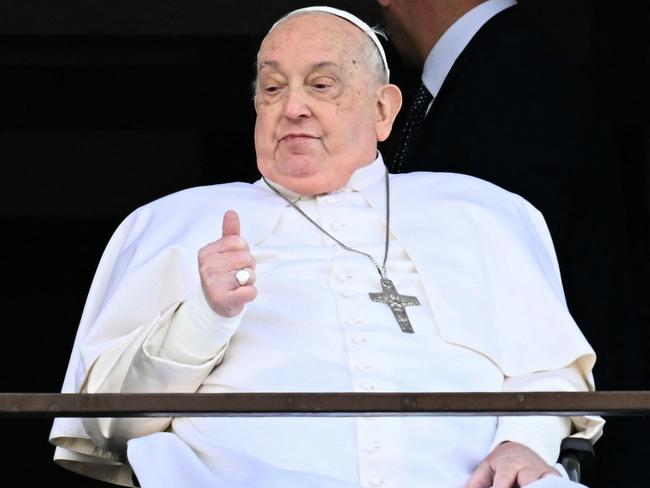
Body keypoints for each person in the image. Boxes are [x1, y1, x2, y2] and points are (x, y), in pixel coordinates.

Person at [50, 7, 602, 488]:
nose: (293, 108)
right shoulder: (173, 223)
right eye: (272, 88)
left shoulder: (479, 214)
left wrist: (525, 442)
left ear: (384, 111)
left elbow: (548, 372)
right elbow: (107, 424)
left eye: (321, 85)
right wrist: (202, 317)